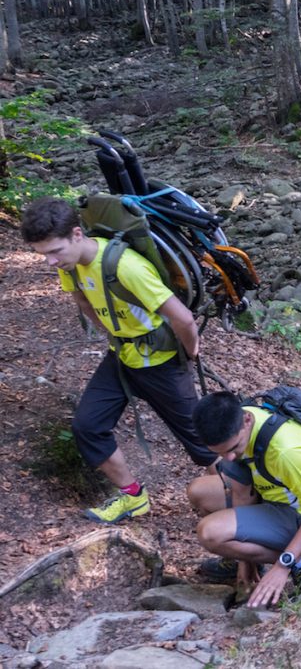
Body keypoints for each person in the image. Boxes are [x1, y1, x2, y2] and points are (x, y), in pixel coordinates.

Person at [20, 197, 217, 524]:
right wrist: (116, 334)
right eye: (43, 255)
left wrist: (190, 352)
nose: (51, 261)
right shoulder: (72, 266)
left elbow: (183, 319)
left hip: (162, 362)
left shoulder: (126, 266)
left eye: (55, 251)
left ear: (77, 234)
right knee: (88, 426)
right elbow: (82, 300)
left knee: (203, 444)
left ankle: (239, 501)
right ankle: (133, 497)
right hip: (122, 357)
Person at [186, 392, 301, 606]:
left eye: (233, 449)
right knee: (199, 491)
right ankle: (251, 556)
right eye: (220, 453)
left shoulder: (287, 451)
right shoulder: (243, 421)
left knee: (210, 533)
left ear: (247, 421)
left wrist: (282, 566)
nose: (229, 458)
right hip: (273, 496)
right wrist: (245, 563)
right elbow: (242, 493)